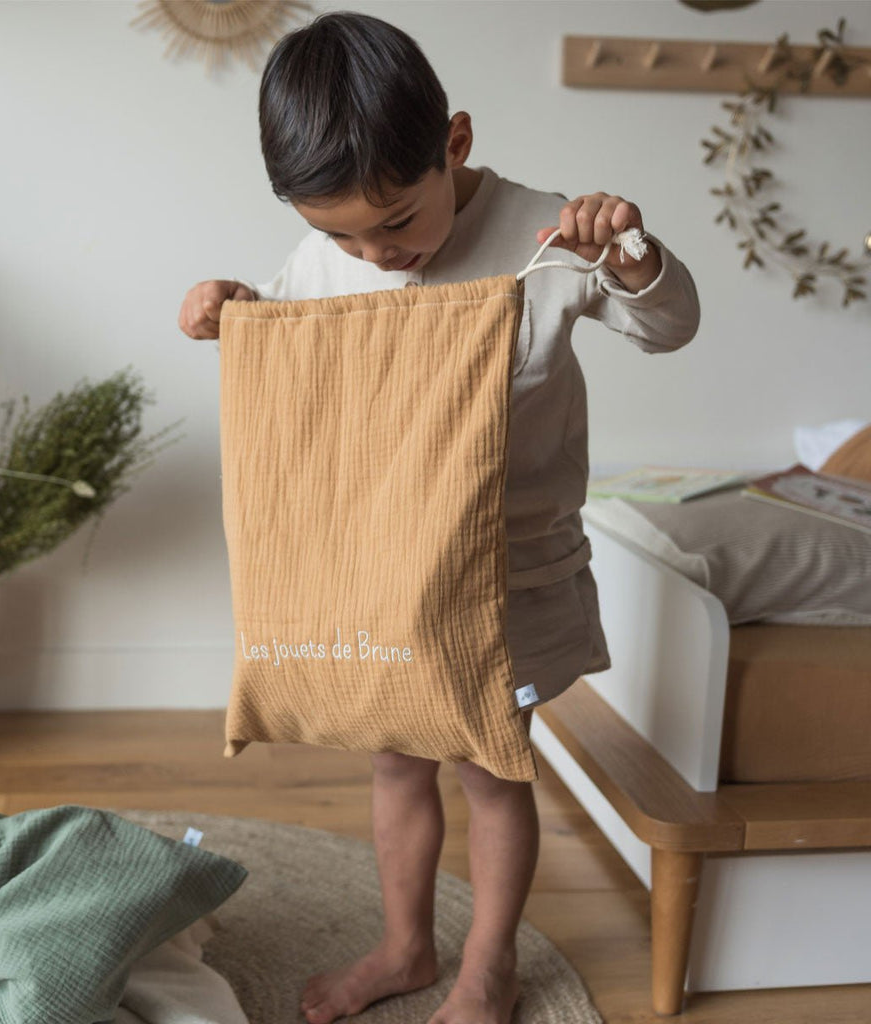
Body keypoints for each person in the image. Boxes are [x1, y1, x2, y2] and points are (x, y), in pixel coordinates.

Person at [178, 12, 700, 1024]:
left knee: (489, 766)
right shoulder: (326, 259)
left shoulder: (546, 232)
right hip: (389, 569)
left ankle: (489, 966)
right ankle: (406, 945)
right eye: (338, 234)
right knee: (394, 754)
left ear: (453, 145)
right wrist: (234, 311)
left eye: (397, 224)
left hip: (509, 573)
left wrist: (629, 254)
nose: (372, 255)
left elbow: (670, 326)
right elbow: (296, 363)